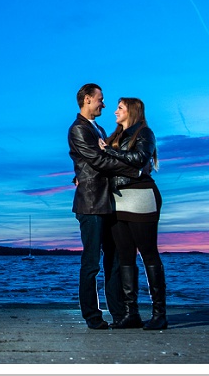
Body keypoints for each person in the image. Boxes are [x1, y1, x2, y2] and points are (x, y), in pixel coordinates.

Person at [68, 83, 143, 330]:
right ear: (88, 99)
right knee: (91, 263)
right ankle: (92, 316)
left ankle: (120, 313)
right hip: (91, 204)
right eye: (100, 99)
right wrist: (133, 169)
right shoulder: (78, 129)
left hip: (108, 202)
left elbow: (89, 161)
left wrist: (80, 172)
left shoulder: (98, 128)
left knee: (115, 260)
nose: (104, 104)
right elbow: (98, 160)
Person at [100, 97, 167, 330]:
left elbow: (140, 160)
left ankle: (160, 314)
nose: (115, 111)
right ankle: (132, 314)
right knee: (125, 257)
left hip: (140, 198)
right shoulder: (115, 136)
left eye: (120, 108)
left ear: (132, 110)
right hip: (118, 201)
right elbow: (108, 165)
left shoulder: (144, 133)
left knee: (149, 255)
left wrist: (110, 152)